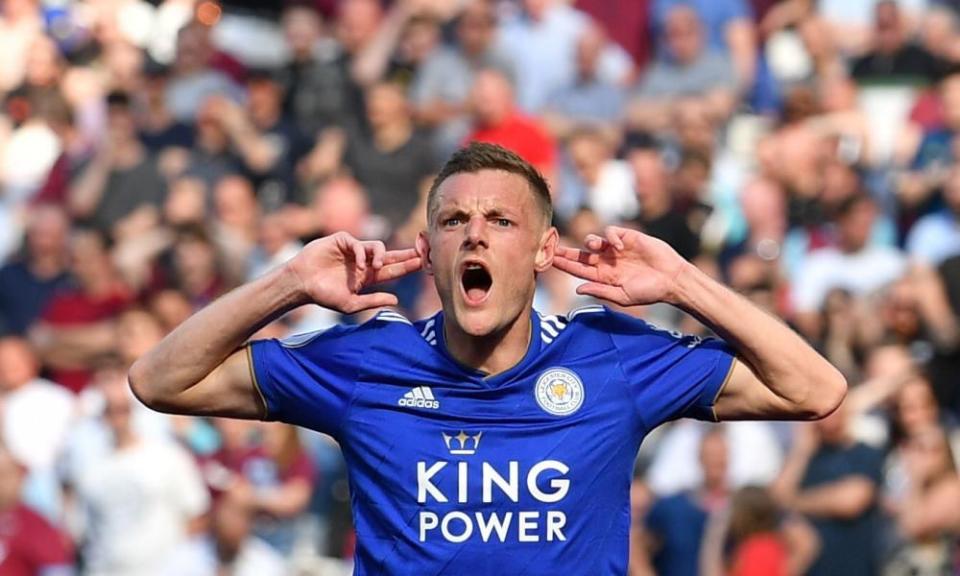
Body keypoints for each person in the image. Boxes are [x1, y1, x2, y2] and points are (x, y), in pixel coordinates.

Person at [130, 142, 845, 573]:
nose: (475, 236)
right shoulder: (370, 359)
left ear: (541, 250)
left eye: (501, 220)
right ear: (430, 250)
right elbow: (158, 379)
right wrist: (288, 280)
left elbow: (814, 388)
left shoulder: (610, 358)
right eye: (454, 221)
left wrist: (684, 282)